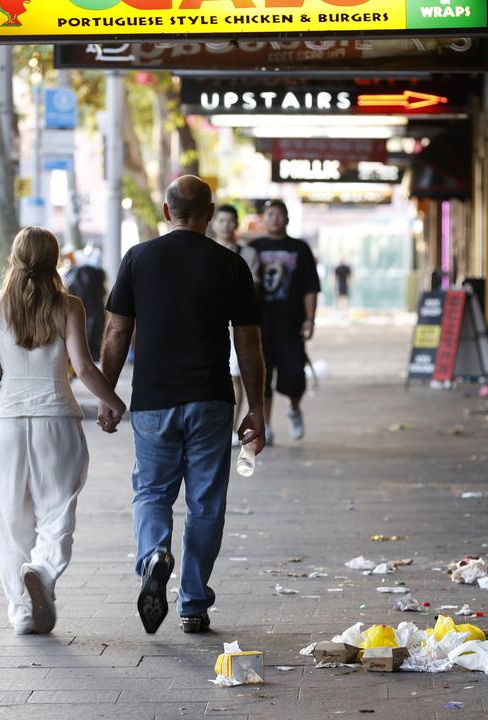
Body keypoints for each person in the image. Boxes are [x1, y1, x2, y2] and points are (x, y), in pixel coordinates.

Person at [98, 176, 266, 635]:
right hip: (212, 399)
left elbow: (116, 333)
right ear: (210, 212)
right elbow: (249, 343)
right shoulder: (231, 265)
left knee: (152, 492)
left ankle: (154, 554)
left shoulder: (138, 258)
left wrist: (107, 395)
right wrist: (257, 409)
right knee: (206, 503)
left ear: (167, 213)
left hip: (153, 401)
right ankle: (192, 602)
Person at [0, 226, 126, 635]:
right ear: (56, 259)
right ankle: (43, 570)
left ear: (14, 257)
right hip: (58, 419)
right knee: (57, 512)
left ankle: (22, 612)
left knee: (10, 520)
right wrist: (114, 401)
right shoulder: (70, 306)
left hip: (5, 423)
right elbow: (85, 368)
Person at [250, 200, 320, 444]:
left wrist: (310, 319)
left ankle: (293, 408)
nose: (275, 218)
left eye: (280, 214)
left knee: (294, 377)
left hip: (291, 324)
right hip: (259, 326)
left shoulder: (300, 248)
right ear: (264, 218)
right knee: (262, 379)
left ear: (287, 219)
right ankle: (266, 427)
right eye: (270, 214)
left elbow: (311, 287)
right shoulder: (253, 248)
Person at [210, 204, 262, 447]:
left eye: (231, 221)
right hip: (208, 324)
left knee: (234, 376)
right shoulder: (204, 248)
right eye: (221, 220)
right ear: (213, 222)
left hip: (236, 323)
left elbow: (251, 289)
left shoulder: (247, 253)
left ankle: (230, 428)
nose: (226, 225)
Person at [64, 248, 108, 362]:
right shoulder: (95, 274)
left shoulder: (74, 276)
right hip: (95, 312)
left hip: (85, 313)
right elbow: (102, 292)